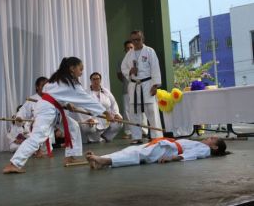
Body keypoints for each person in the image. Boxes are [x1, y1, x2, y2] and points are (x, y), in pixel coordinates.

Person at [3, 57, 112, 174]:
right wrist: (105, 112)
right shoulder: (71, 84)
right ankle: (14, 163)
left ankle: (71, 156)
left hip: (52, 108)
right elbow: (87, 100)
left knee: (73, 126)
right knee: (38, 137)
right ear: (72, 68)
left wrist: (66, 103)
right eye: (80, 69)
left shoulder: (58, 79)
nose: (81, 72)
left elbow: (53, 93)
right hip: (48, 110)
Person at [121, 30, 163, 144]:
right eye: (133, 40)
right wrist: (130, 71)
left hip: (147, 84)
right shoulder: (129, 54)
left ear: (142, 39)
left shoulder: (149, 51)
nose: (135, 42)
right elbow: (123, 67)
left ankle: (156, 136)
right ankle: (136, 137)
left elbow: (155, 68)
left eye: (138, 39)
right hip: (134, 85)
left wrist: (155, 85)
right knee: (135, 112)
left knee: (152, 111)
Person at [86, 136, 229, 169]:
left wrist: (173, 158)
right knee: (131, 150)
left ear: (215, 147)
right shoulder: (199, 143)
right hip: (164, 144)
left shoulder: (204, 149)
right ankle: (101, 160)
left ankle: (105, 161)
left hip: (167, 149)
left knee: (138, 155)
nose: (208, 138)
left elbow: (192, 155)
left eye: (212, 139)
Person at [77, 72, 123, 143]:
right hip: (93, 119)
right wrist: (89, 119)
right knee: (89, 128)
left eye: (98, 79)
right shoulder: (86, 93)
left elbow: (114, 104)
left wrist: (116, 114)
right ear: (91, 81)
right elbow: (82, 107)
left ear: (100, 80)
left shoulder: (106, 91)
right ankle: (93, 139)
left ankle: (106, 136)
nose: (96, 81)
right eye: (94, 79)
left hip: (106, 119)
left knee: (119, 122)